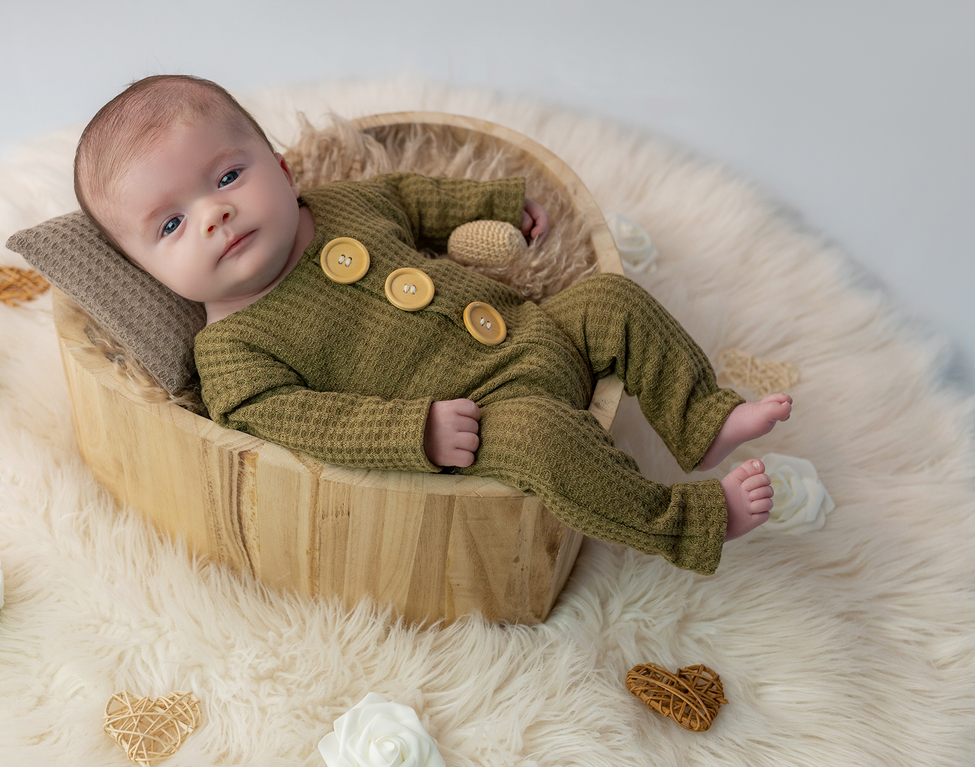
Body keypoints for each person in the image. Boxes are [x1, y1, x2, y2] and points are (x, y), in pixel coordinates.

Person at [73, 75, 792, 574]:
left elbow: (412, 197)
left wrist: (494, 204)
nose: (214, 214)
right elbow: (299, 421)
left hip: (536, 330)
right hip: (486, 417)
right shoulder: (232, 352)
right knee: (549, 442)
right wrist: (413, 432)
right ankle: (688, 522)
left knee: (615, 303)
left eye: (228, 177)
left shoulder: (343, 206)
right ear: (148, 270)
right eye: (171, 223)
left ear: (284, 169)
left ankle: (702, 417)